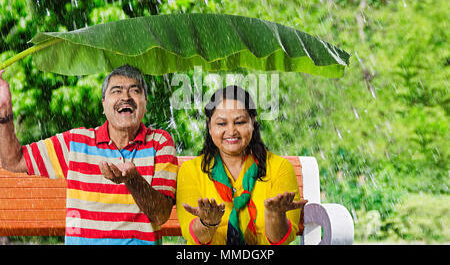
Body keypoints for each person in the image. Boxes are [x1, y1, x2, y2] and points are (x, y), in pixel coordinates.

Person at [0, 64, 178, 245]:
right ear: (103, 105)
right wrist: (3, 110)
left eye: (134, 91)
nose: (125, 97)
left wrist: (133, 181)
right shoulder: (76, 143)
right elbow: (14, 161)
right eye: (116, 91)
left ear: (145, 103)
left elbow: (161, 215)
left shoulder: (160, 143)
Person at [176, 85, 307, 245]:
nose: (231, 131)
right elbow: (196, 238)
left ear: (253, 122)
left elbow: (279, 240)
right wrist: (208, 223)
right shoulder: (190, 171)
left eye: (240, 122)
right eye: (221, 124)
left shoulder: (280, 168)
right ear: (209, 126)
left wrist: (275, 216)